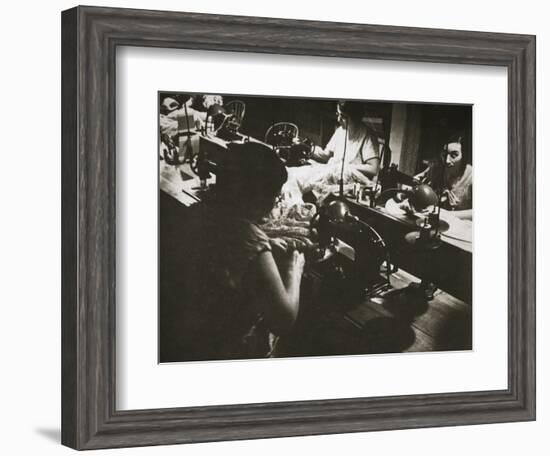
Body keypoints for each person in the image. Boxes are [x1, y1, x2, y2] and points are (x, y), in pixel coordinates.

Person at [166, 142, 305, 361]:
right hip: (224, 351)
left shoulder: (200, 211)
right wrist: (293, 269)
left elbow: (224, 242)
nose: (274, 202)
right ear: (258, 198)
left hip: (183, 336)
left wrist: (264, 245)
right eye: (274, 197)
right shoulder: (248, 237)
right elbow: (284, 319)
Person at [415, 133, 473, 220]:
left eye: (454, 155)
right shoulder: (436, 168)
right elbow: (415, 181)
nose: (447, 160)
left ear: (464, 156)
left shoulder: (472, 176)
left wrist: (444, 214)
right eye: (444, 154)